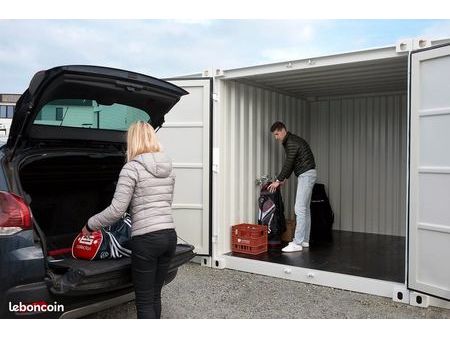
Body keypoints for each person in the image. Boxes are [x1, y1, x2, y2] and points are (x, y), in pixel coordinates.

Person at [81, 120, 177, 319]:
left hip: (147, 240)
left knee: (143, 302)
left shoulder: (131, 168)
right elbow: (167, 202)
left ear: (132, 141)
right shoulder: (169, 167)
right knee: (154, 296)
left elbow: (116, 210)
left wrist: (90, 225)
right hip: (169, 236)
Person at [267, 121, 317, 253]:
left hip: (306, 175)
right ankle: (305, 240)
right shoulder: (291, 141)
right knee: (305, 209)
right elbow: (294, 162)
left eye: (277, 134)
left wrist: (278, 179)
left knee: (299, 208)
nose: (276, 138)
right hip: (308, 174)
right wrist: (284, 179)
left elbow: (289, 163)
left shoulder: (291, 142)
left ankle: (297, 242)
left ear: (283, 130)